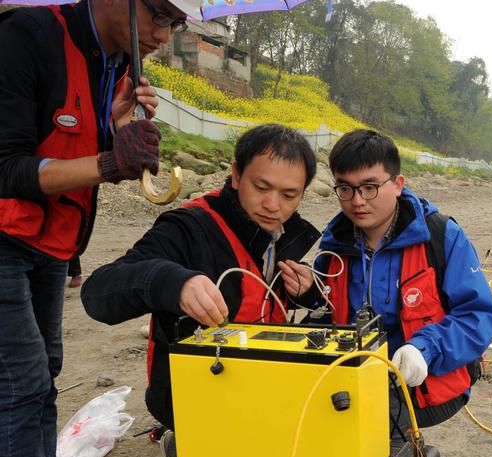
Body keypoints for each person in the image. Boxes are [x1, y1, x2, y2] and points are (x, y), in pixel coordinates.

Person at [0, 0, 206, 457]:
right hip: (4, 238)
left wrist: (119, 125)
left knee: (48, 372)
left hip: (49, 243)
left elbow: (82, 153)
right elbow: (9, 168)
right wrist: (109, 160)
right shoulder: (27, 39)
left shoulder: (115, 63)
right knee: (20, 390)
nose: (165, 35)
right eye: (159, 15)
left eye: (177, 22)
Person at [82, 124, 320, 432]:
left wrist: (306, 293)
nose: (273, 206)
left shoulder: (282, 234)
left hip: (260, 386)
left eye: (289, 195)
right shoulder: (188, 228)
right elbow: (96, 293)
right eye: (261, 188)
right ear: (236, 175)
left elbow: (261, 298)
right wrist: (173, 282)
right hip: (194, 400)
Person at [312, 130, 492, 435]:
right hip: (352, 375)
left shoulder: (441, 236)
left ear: (398, 185)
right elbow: (323, 310)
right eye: (345, 188)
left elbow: (479, 316)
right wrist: (304, 294)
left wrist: (423, 349)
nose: (357, 201)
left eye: (370, 187)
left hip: (424, 378)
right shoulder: (333, 245)